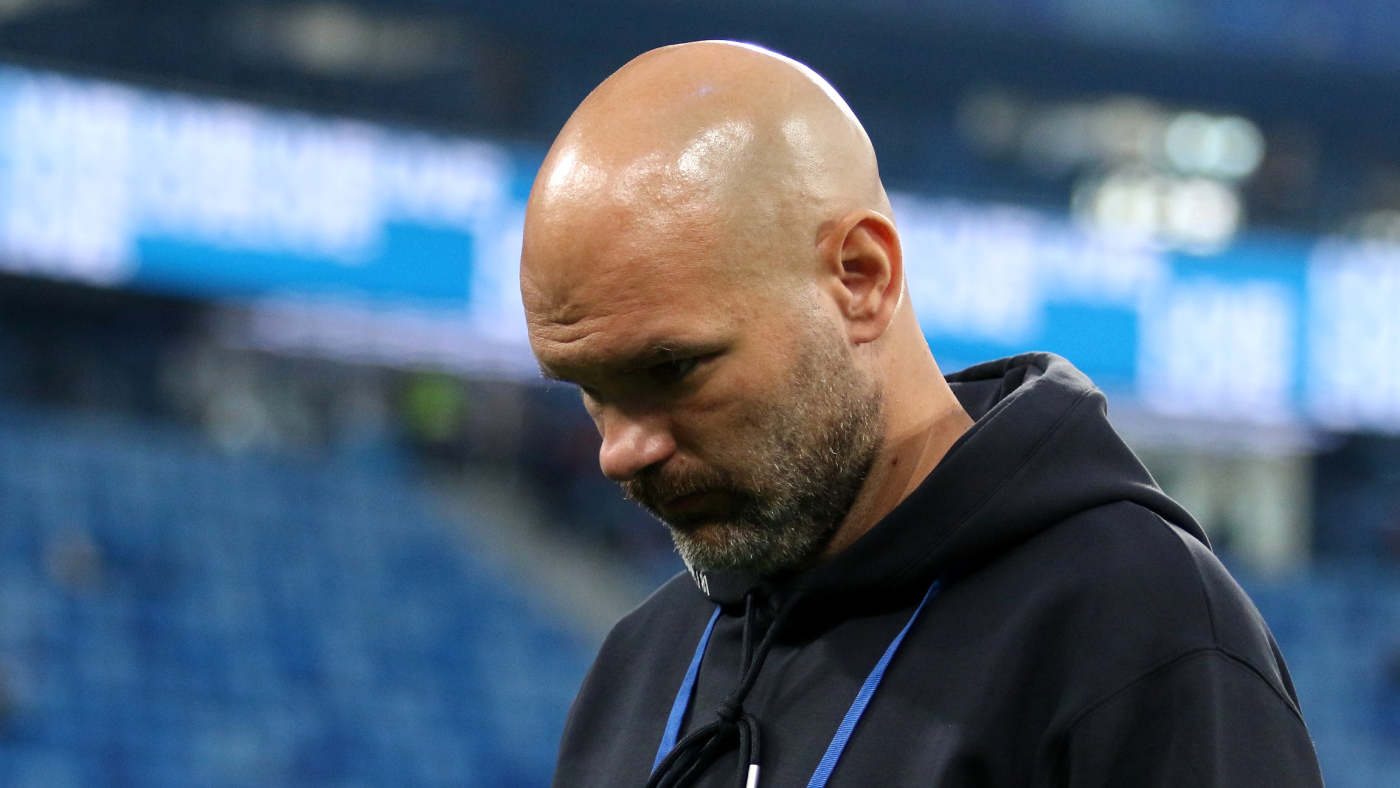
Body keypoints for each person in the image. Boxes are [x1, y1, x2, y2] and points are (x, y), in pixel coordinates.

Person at [520, 40, 1324, 788]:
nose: (619, 453)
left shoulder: (1134, 631)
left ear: (861, 278)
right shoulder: (641, 668)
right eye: (590, 388)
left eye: (671, 368)